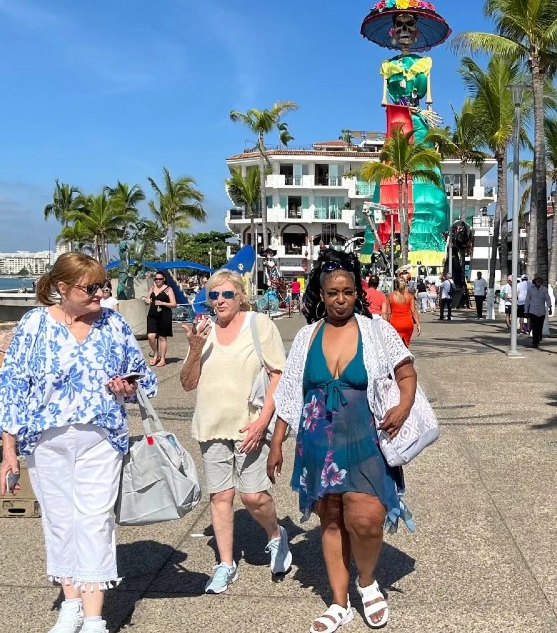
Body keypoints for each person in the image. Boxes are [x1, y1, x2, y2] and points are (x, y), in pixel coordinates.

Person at [0, 252, 157, 633]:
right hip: (46, 440)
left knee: (95, 520)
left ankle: (95, 616)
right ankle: (71, 604)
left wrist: (126, 387)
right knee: (60, 521)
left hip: (101, 437)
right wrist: (8, 449)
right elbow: (12, 386)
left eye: (103, 285)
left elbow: (144, 381)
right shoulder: (34, 324)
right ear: (62, 288)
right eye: (90, 287)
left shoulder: (113, 324)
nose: (100, 293)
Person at [269, 248, 418, 633]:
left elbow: (406, 372)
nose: (340, 299)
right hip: (318, 442)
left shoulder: (376, 331)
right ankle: (339, 603)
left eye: (348, 292)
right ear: (320, 293)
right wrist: (276, 442)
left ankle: (366, 583)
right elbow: (289, 392)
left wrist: (402, 408)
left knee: (366, 518)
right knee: (331, 520)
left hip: (366, 440)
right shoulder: (307, 335)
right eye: (333, 292)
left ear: (357, 292)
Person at [179, 269, 292, 594]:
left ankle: (275, 535)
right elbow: (188, 383)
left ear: (241, 296)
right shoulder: (205, 331)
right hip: (211, 425)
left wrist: (262, 421)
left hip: (249, 425)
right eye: (214, 295)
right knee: (220, 496)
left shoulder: (259, 325)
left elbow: (278, 375)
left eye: (227, 294)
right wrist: (195, 349)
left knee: (253, 495)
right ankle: (225, 564)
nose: (220, 301)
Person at [144, 270, 174, 367]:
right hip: (152, 314)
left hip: (164, 315)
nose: (158, 281)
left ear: (164, 279)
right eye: (156, 279)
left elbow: (174, 304)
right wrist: (147, 300)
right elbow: (147, 299)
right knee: (151, 336)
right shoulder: (152, 289)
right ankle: (155, 354)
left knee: (162, 337)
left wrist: (163, 303)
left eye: (160, 279)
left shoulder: (169, 289)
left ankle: (163, 359)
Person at [386, 276, 421, 347]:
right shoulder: (410, 296)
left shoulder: (390, 296)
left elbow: (388, 313)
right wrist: (418, 324)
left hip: (395, 324)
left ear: (395, 285)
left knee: (396, 346)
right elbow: (413, 311)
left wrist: (386, 325)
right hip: (407, 323)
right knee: (405, 346)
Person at [524, 276, 553, 347]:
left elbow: (548, 299)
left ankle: (539, 338)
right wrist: (526, 311)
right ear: (534, 281)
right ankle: (535, 341)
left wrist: (550, 307)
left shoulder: (544, 289)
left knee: (540, 327)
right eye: (537, 280)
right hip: (533, 311)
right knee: (534, 327)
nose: (539, 281)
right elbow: (527, 300)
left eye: (540, 280)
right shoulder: (530, 289)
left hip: (541, 311)